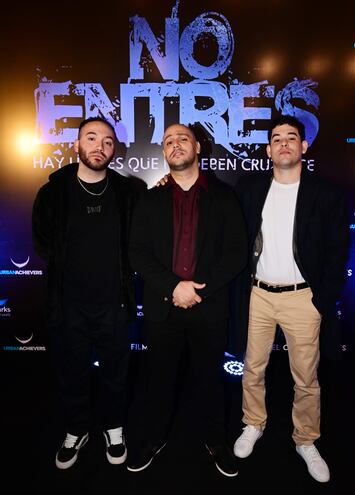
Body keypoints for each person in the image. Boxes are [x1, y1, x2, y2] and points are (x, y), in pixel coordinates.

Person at [231, 115, 350, 483]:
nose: (284, 143)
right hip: (258, 296)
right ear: (268, 149)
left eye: (291, 138)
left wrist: (321, 298)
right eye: (277, 138)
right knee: (253, 369)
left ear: (303, 146)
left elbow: (337, 250)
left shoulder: (325, 193)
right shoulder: (249, 189)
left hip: (303, 299)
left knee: (306, 377)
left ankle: (306, 440)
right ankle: (253, 423)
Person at [127, 123, 247, 477]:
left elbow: (237, 253)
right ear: (163, 152)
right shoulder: (150, 198)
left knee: (210, 380)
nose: (175, 145)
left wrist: (198, 290)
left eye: (182, 139)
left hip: (208, 310)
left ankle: (215, 441)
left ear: (197, 147)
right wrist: (173, 287)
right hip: (163, 308)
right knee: (158, 379)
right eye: (168, 141)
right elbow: (138, 252)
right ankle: (153, 439)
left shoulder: (224, 197)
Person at [32, 117, 141, 469]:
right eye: (91, 138)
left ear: (114, 149)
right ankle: (77, 430)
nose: (100, 146)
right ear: (77, 144)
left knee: (116, 373)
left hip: (114, 303)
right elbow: (42, 243)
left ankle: (113, 427)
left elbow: (144, 238)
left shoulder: (128, 193)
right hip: (69, 306)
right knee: (72, 372)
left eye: (108, 141)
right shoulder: (52, 192)